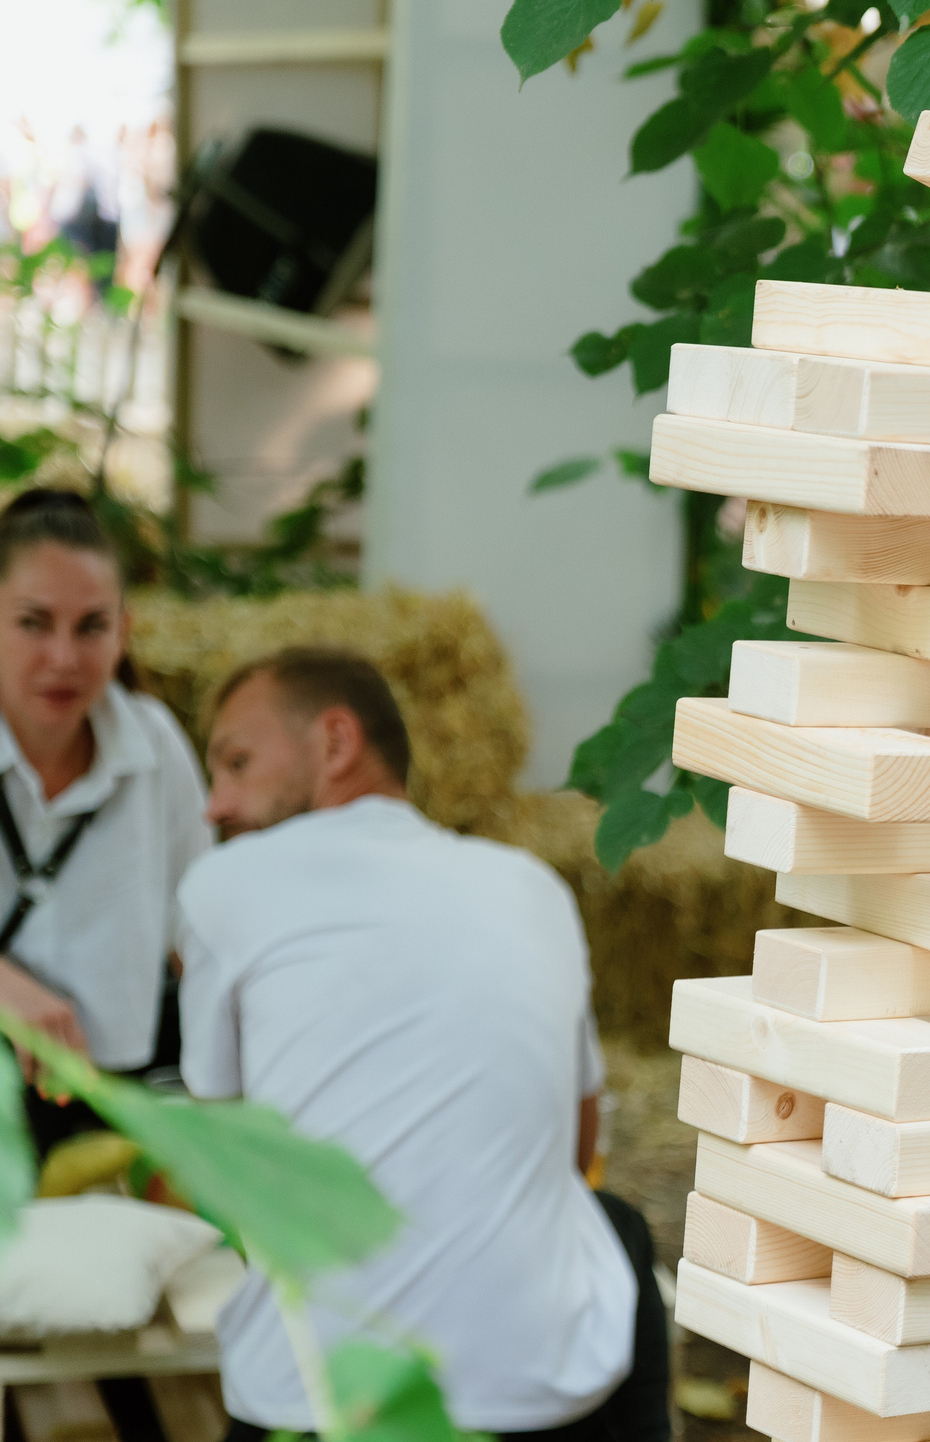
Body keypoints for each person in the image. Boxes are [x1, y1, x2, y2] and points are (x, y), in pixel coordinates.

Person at [181, 648, 666, 1442]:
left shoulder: (223, 885)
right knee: (613, 1224)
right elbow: (573, 1155)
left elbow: (232, 1176)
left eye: (237, 761)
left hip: (314, 1404)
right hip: (542, 1402)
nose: (215, 804)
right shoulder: (532, 886)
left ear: (335, 742)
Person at [0, 489, 209, 1147]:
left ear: (125, 629)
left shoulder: (155, 743)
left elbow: (200, 929)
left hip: (110, 1107)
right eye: (34, 622)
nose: (64, 657)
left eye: (91, 626)